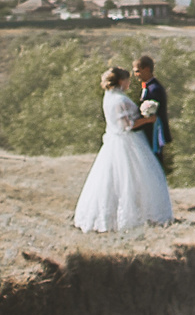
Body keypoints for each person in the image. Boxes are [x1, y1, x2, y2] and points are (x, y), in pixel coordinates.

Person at [73, 64, 174, 231]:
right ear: (121, 81)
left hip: (114, 142)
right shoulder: (120, 99)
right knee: (135, 178)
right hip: (127, 142)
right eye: (127, 80)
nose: (129, 83)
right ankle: (136, 217)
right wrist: (148, 120)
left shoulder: (109, 97)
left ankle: (113, 217)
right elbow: (127, 125)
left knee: (111, 180)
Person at [134, 55, 172, 177]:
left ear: (146, 69)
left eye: (137, 71)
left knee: (155, 165)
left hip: (154, 133)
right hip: (150, 132)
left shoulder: (154, 89)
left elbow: (155, 114)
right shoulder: (149, 86)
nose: (136, 74)